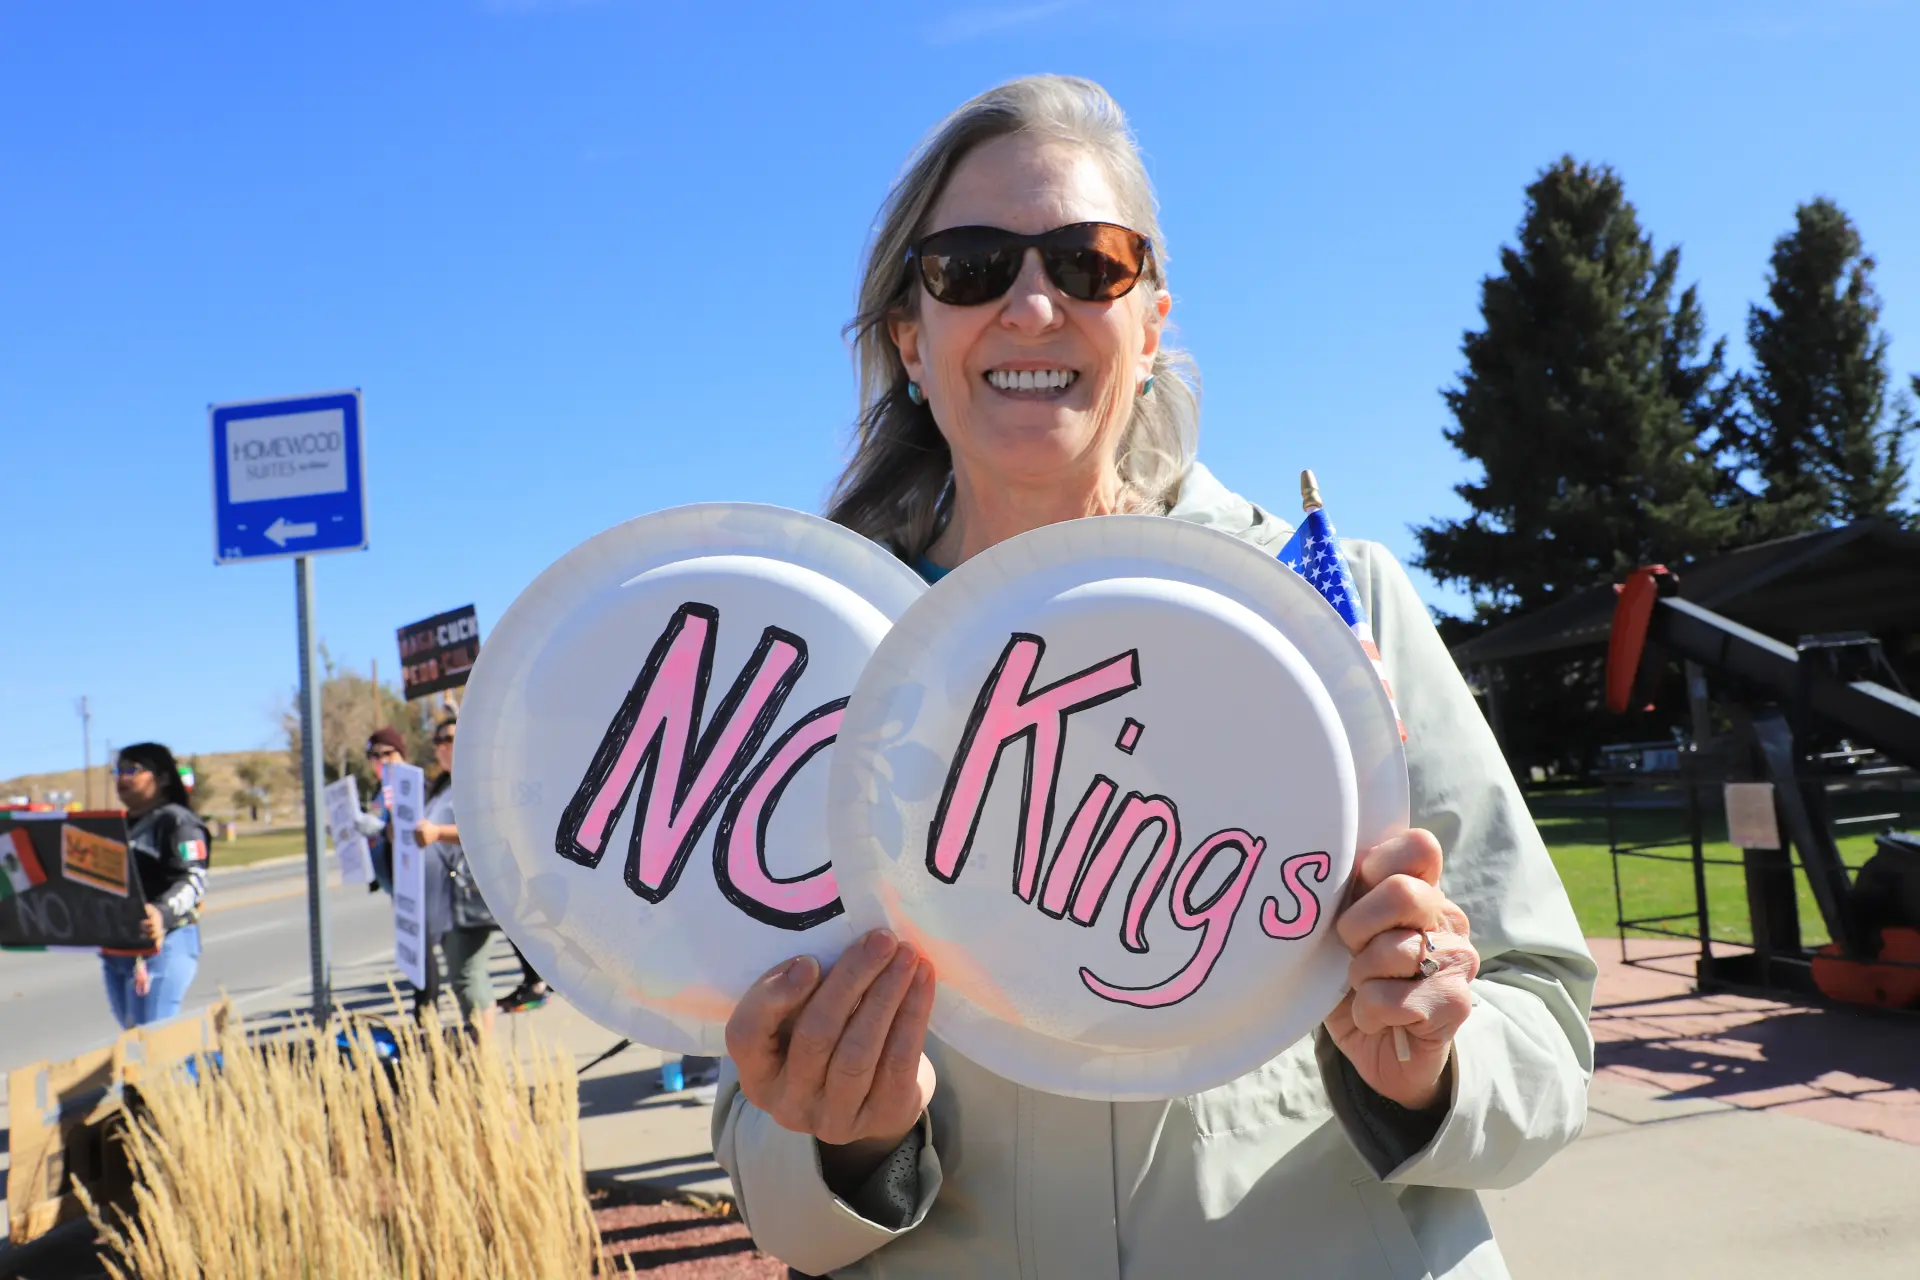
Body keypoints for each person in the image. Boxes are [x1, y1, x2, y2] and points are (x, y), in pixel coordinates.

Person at [712, 76, 1596, 1280]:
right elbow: (767, 1175)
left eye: (1089, 264)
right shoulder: (827, 673)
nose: (1033, 304)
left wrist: (1434, 1063)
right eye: (971, 265)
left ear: (1152, 320)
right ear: (912, 339)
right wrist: (851, 1138)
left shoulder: (1337, 611)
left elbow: (1541, 1017)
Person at [104, 742, 210, 1028]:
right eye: (118, 769)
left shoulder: (179, 822)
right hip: (119, 949)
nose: (121, 778)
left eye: (132, 770)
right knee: (133, 1036)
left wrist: (161, 914)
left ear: (162, 778)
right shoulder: (116, 826)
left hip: (166, 943)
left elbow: (193, 879)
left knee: (155, 1040)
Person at [414, 716, 500, 1029]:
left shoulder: (476, 781)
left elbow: (484, 830)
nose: (443, 746)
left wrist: (437, 832)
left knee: (467, 976)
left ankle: (484, 1060)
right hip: (446, 904)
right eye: (438, 741)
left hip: (468, 898)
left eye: (450, 738)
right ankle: (480, 1057)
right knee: (460, 977)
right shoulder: (442, 787)